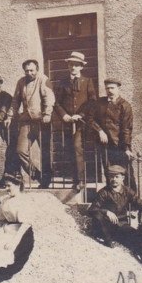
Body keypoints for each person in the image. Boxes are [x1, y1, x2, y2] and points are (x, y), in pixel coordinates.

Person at [88, 165, 142, 257]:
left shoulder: (127, 191)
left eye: (117, 176)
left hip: (122, 225)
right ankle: (108, 241)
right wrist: (106, 212)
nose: (114, 179)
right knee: (98, 216)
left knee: (137, 237)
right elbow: (92, 209)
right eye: (111, 176)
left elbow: (140, 204)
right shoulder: (103, 192)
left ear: (122, 178)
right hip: (107, 227)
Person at [53, 51, 97, 190]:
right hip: (67, 122)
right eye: (71, 64)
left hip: (81, 123)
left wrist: (81, 115)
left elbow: (92, 101)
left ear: (81, 67)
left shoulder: (87, 81)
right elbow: (56, 102)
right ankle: (74, 178)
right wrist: (64, 115)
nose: (73, 67)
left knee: (78, 148)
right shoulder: (62, 82)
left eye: (76, 65)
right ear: (68, 66)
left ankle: (81, 180)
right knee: (70, 150)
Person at [11, 59, 55, 188]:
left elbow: (49, 97)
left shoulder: (43, 79)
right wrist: (10, 115)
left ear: (37, 69)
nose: (29, 73)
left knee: (45, 152)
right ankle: (37, 175)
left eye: (32, 70)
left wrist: (47, 114)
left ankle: (46, 179)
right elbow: (15, 100)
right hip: (26, 122)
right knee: (20, 151)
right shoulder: (21, 82)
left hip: (42, 122)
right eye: (27, 71)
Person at [86, 77, 135, 187]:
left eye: (112, 88)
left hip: (120, 145)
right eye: (107, 88)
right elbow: (90, 119)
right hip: (105, 145)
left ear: (118, 89)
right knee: (110, 173)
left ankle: (130, 201)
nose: (110, 91)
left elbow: (127, 128)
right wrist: (99, 131)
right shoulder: (99, 103)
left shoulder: (125, 106)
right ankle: (113, 200)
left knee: (125, 173)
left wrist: (127, 148)